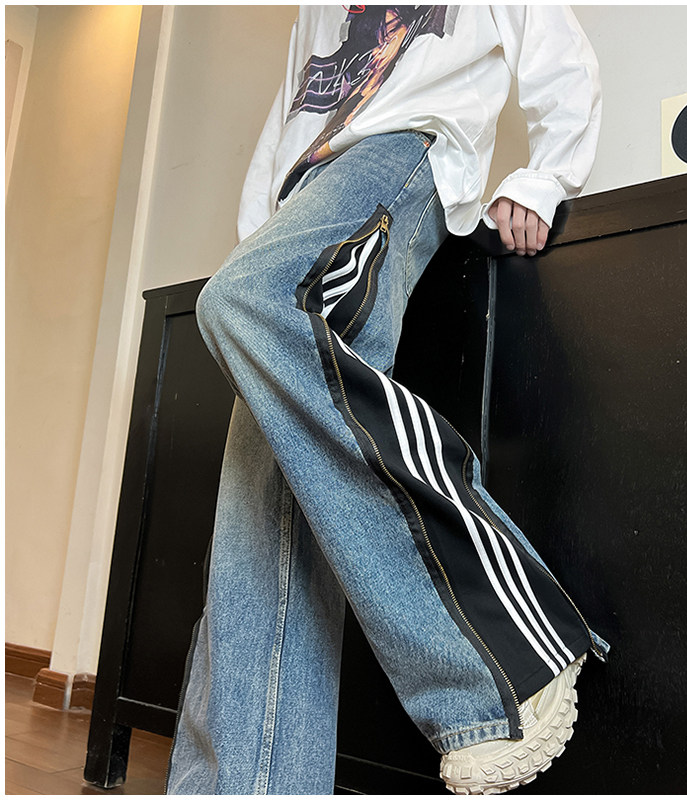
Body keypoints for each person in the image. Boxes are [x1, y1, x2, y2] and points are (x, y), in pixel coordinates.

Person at [166, 5, 609, 795]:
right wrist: (258, 236)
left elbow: (557, 49)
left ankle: (498, 654)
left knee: (246, 302)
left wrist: (547, 173)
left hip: (402, 154)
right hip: (310, 190)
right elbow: (290, 113)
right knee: (259, 522)